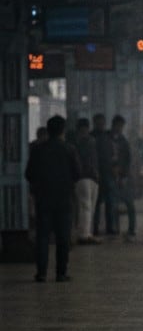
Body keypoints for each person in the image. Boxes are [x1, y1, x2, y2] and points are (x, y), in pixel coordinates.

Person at [25, 115, 80, 282]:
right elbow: (77, 173)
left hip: (43, 199)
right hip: (64, 198)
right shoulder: (69, 149)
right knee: (63, 237)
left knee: (42, 236)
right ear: (62, 130)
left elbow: (28, 174)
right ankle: (61, 272)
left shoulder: (37, 150)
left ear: (48, 130)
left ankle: (41, 272)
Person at [72, 118, 100, 244]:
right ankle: (84, 235)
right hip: (85, 177)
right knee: (86, 206)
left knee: (87, 207)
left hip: (88, 177)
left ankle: (86, 232)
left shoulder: (78, 142)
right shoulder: (86, 142)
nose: (85, 131)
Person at [109, 114, 137, 240]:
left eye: (121, 126)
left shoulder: (123, 141)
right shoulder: (107, 140)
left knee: (129, 204)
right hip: (110, 176)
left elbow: (128, 159)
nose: (120, 128)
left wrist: (124, 173)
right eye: (118, 126)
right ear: (114, 125)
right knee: (113, 204)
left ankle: (131, 228)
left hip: (123, 176)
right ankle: (114, 228)